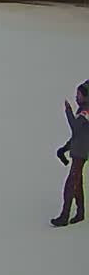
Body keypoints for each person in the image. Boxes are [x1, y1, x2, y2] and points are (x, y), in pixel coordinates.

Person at [54, 81, 89, 227]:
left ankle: (64, 215)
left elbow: (75, 128)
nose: (76, 97)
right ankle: (80, 213)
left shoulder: (86, 112)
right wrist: (65, 148)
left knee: (70, 184)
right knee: (77, 183)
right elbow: (77, 135)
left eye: (78, 95)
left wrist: (68, 111)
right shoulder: (83, 110)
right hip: (77, 152)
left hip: (81, 153)